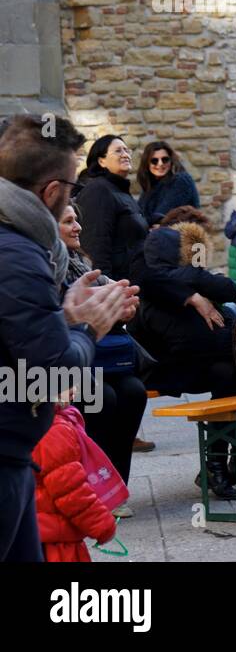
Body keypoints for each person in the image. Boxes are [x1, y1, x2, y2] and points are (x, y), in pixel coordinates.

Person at [1, 114, 137, 562]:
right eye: (73, 187)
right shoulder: (18, 253)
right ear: (52, 191)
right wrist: (86, 328)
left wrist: (62, 314)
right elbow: (50, 371)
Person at [130, 213, 236, 499]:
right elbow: (187, 341)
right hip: (165, 370)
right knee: (230, 372)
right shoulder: (152, 286)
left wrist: (196, 289)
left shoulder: (182, 281)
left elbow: (227, 287)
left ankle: (231, 465)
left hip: (195, 365)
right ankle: (218, 465)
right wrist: (195, 293)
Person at [59, 204, 147, 511]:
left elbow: (115, 294)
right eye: (68, 221)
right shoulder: (45, 263)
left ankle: (116, 486)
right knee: (103, 398)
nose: (77, 227)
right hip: (67, 364)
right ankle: (91, 487)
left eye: (77, 220)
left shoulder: (83, 265)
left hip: (104, 358)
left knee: (134, 393)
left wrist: (121, 301)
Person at [31, 404, 120, 561]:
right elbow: (71, 490)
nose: (74, 389)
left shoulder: (26, 421)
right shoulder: (53, 429)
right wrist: (102, 524)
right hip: (55, 542)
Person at [75, 134, 149, 280]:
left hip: (137, 283)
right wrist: (106, 289)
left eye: (127, 150)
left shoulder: (121, 191)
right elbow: (95, 247)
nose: (125, 154)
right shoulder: (98, 190)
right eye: (118, 151)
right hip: (118, 286)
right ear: (101, 161)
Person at [136, 140, 201, 226]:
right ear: (147, 164)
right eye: (154, 161)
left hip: (180, 237)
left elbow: (160, 216)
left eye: (165, 159)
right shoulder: (150, 187)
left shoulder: (181, 180)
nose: (160, 164)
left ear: (171, 161)